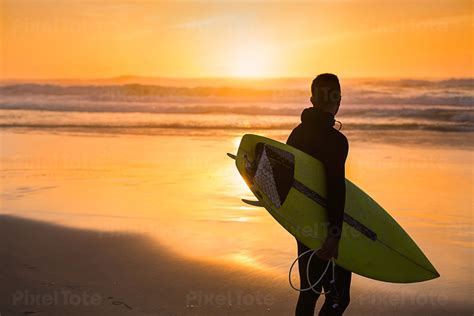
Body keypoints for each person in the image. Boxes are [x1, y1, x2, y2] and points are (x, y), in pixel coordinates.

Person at [286, 73, 351, 315]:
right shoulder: (337, 141)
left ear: (312, 99)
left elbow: (286, 182)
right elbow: (335, 187)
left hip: (303, 225)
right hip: (328, 228)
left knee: (310, 291)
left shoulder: (297, 134)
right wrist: (334, 235)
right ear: (339, 100)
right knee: (338, 297)